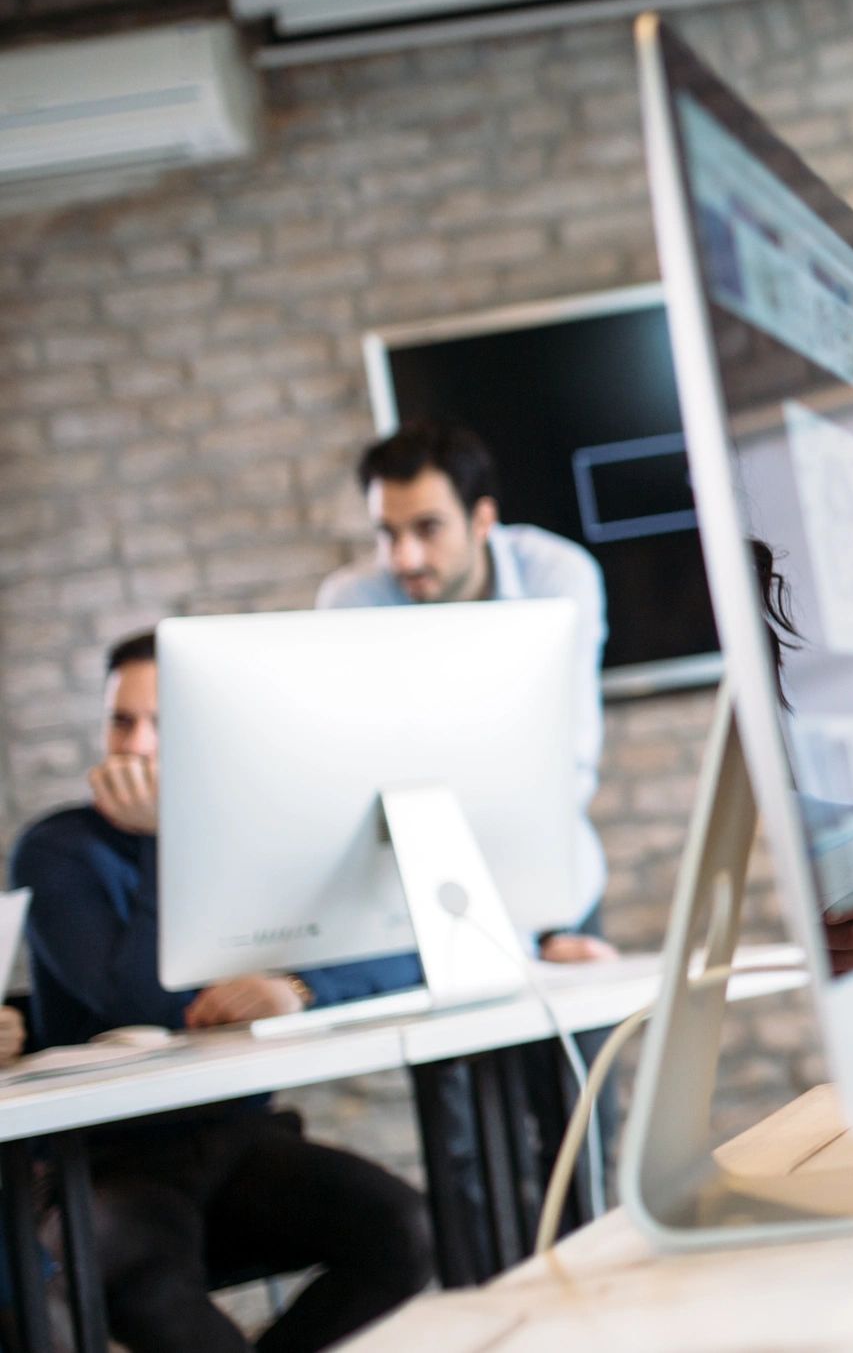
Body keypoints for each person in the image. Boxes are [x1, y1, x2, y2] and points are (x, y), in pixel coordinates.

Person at [10, 631, 434, 1353]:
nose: (135, 745)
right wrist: (165, 836)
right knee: (143, 1290)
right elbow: (142, 1005)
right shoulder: (57, 850)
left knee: (408, 1232)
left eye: (160, 724)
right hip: (113, 1166)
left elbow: (401, 952)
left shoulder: (251, 835)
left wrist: (300, 987)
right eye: (121, 721)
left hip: (237, 1143)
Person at [317, 421, 615, 960]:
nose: (404, 558)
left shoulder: (558, 576)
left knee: (585, 1037)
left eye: (427, 528)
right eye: (387, 533)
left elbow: (569, 755)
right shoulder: (351, 601)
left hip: (547, 881)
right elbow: (351, 765)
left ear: (482, 518)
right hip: (408, 892)